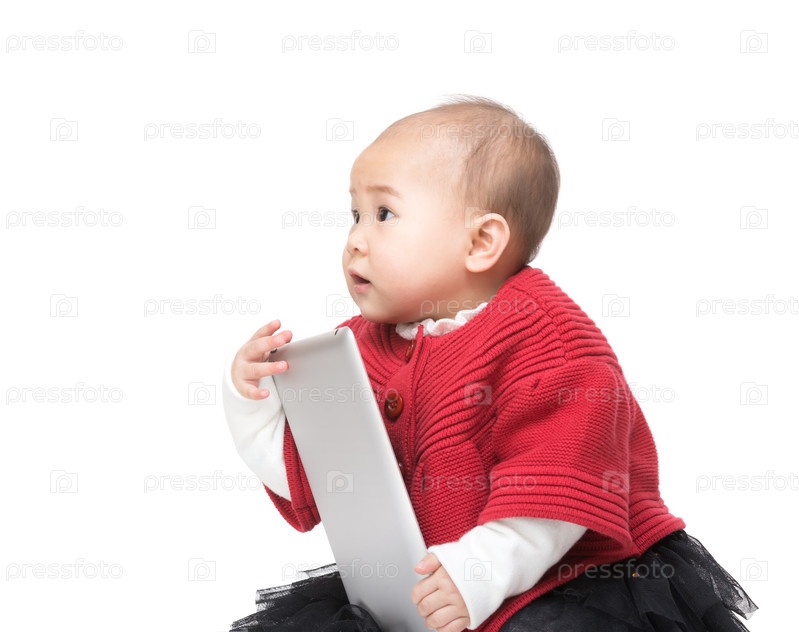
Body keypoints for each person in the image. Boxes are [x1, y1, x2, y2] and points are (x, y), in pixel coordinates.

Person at [222, 96, 757, 632]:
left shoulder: (550, 342)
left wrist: (478, 570)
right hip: (434, 583)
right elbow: (329, 483)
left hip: (570, 577)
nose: (355, 241)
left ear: (480, 242)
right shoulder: (356, 348)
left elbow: (557, 489)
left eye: (384, 215)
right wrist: (255, 403)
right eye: (355, 215)